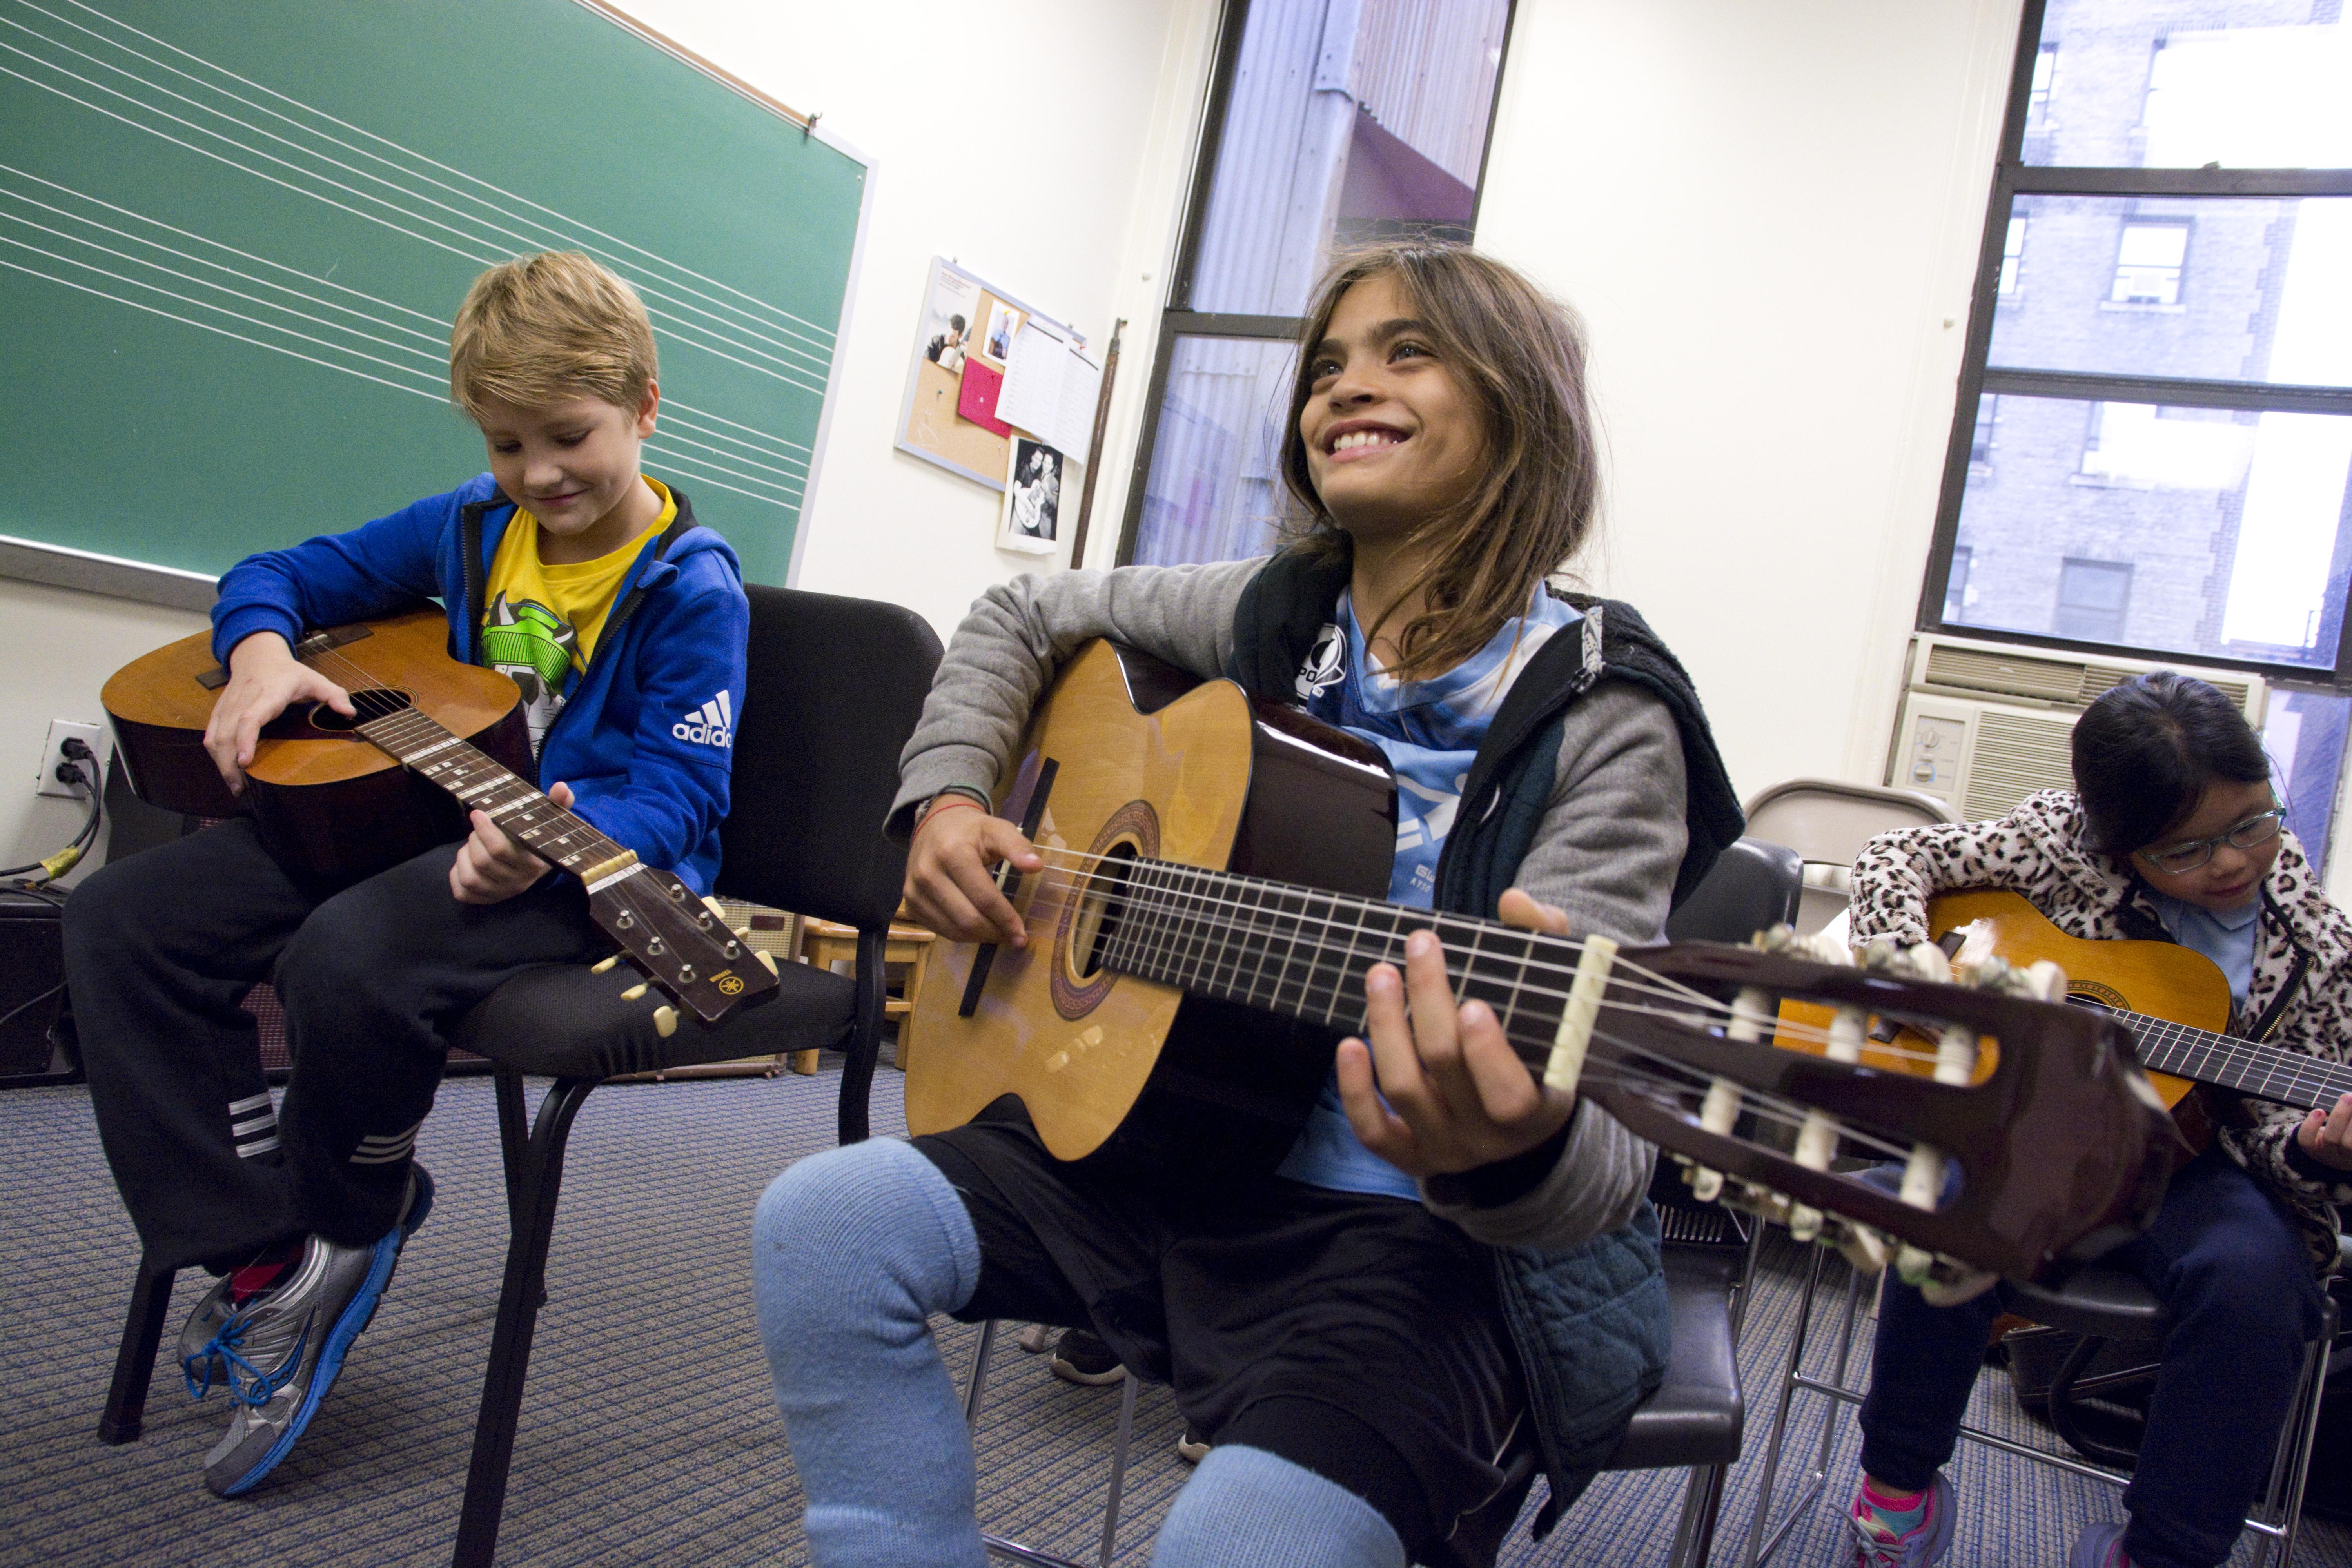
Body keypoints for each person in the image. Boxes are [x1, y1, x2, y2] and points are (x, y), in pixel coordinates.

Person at [750, 242, 1745, 1568]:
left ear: (1520, 407)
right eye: (1325, 365)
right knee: (819, 1231)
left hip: (1417, 1246)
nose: (1344, 387)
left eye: (1406, 352)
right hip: (1167, 1151)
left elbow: (1604, 1156)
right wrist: (946, 799)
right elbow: (1016, 612)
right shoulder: (1272, 610)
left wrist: (1503, 1146)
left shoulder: (1607, 711)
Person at [64, 250, 750, 1499]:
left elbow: (680, 796)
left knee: (348, 954)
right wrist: (262, 653)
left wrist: (558, 825)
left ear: (646, 406)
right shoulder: (472, 526)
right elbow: (278, 574)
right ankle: (268, 1242)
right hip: (419, 817)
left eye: (569, 435)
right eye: (505, 444)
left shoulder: (693, 588)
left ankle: (353, 1218)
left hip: (588, 871)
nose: (539, 475)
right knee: (120, 920)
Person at [1829, 672, 2352, 1568]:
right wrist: (1919, 970)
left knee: (2257, 1282)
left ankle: (2162, 1551)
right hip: (2034, 1136)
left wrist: (2311, 1145)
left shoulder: (2311, 943)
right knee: (1950, 1210)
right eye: (2185, 851)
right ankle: (1897, 1488)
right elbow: (1892, 857)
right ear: (2118, 842)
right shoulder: (2058, 842)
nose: (2230, 862)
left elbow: (2273, 1122)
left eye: (2253, 822)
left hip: (2195, 1167)